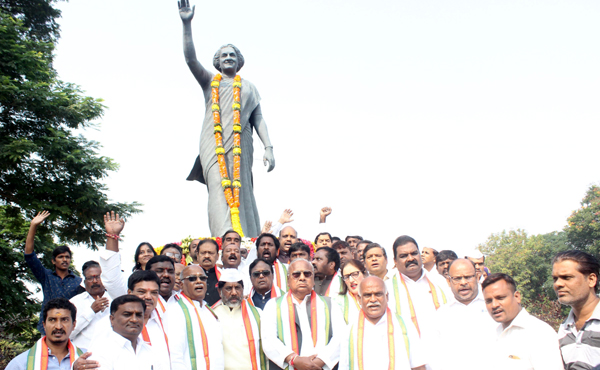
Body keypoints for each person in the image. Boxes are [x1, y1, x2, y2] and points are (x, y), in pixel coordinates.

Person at [178, 0, 275, 238]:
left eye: (232, 55)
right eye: (224, 55)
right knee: (219, 189)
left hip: (243, 146)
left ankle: (247, 237)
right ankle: (224, 238)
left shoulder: (249, 88)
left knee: (242, 191)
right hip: (214, 144)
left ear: (239, 61)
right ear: (218, 62)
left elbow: (258, 118)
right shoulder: (211, 82)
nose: (229, 58)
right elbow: (191, 60)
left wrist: (269, 148)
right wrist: (186, 24)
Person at [261, 259, 344, 370]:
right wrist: (294, 360)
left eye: (307, 274)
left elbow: (341, 337)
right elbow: (269, 340)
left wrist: (318, 362)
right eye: (296, 274)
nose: (302, 278)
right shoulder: (273, 305)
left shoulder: (330, 304)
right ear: (288, 280)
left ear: (313, 280)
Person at [339, 277, 427, 370]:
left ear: (387, 296)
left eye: (378, 294)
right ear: (359, 299)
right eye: (368, 295)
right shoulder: (350, 330)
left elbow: (418, 366)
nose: (373, 300)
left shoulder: (404, 325)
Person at [482, 273, 563, 370]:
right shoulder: (491, 333)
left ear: (517, 297)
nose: (494, 305)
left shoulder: (539, 333)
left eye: (500, 298)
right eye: (488, 301)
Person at [429, 259, 496, 370]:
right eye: (457, 278)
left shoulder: (494, 308)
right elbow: (434, 358)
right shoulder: (441, 316)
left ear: (477, 277)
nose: (463, 282)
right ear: (449, 282)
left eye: (468, 277)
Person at [24, 211, 83, 334]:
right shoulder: (46, 276)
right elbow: (29, 255)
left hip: (71, 329)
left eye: (67, 257)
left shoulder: (78, 281)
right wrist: (33, 226)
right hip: (47, 327)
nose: (64, 260)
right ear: (53, 261)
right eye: (61, 257)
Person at [386, 235, 447, 343]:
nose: (410, 258)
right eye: (404, 256)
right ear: (395, 261)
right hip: (407, 355)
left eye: (414, 253)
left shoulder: (440, 282)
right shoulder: (387, 288)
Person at [167, 265, 224, 370]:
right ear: (181, 284)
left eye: (202, 278)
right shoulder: (176, 311)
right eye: (192, 278)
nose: (199, 282)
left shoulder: (209, 311)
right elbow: (175, 357)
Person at [6, 298, 88, 370]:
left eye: (64, 320)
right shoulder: (21, 364)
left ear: (73, 325)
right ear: (44, 325)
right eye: (52, 320)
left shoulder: (88, 360)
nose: (58, 326)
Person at [553, 250, 600, 369]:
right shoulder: (564, 330)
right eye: (555, 279)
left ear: (591, 280)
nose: (558, 284)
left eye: (566, 277)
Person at [88, 295, 163, 370]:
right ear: (112, 319)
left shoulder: (150, 351)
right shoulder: (100, 351)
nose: (134, 320)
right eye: (127, 315)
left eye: (139, 315)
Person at [212, 269, 266, 370]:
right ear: (219, 291)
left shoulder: (257, 314)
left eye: (237, 288)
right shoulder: (212, 315)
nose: (234, 293)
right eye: (228, 288)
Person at [69, 261, 111, 348]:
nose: (95, 281)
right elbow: (68, 334)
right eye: (90, 278)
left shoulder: (115, 299)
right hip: (85, 355)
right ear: (84, 282)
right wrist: (91, 311)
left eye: (98, 277)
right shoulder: (75, 302)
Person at [335, 259, 367, 326]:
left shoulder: (377, 295)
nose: (351, 280)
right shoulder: (338, 302)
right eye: (346, 277)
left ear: (364, 273)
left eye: (355, 274)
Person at [196, 238, 222, 306]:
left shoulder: (224, 275)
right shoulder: (189, 275)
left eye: (211, 253)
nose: (207, 256)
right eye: (203, 253)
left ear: (217, 256)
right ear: (197, 256)